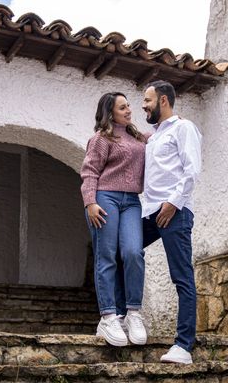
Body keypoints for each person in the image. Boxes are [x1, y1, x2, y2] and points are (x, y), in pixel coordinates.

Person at [80, 92, 149, 347]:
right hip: (105, 199)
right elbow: (89, 172)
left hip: (131, 200)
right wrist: (91, 202)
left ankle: (133, 313)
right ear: (110, 112)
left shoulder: (136, 137)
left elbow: (155, 141)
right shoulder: (100, 139)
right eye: (123, 107)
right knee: (106, 256)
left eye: (129, 105)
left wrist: (172, 124)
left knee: (133, 253)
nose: (129, 110)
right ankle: (108, 316)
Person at [141, 80, 202, 364]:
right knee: (124, 252)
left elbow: (192, 171)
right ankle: (124, 318)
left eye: (147, 100)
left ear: (163, 100)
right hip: (150, 212)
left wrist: (173, 203)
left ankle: (183, 346)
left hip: (174, 211)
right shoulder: (153, 138)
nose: (143, 105)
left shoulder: (183, 128)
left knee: (181, 277)